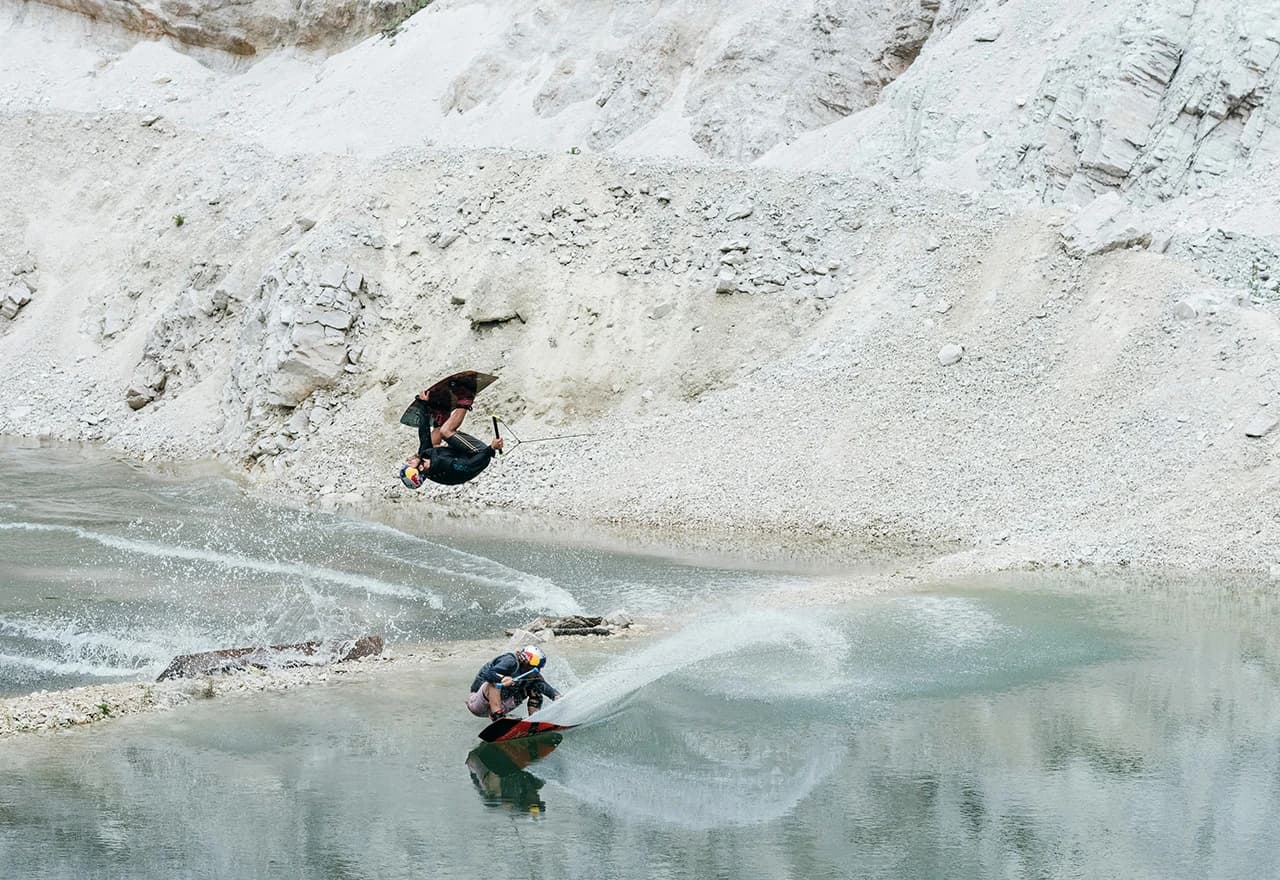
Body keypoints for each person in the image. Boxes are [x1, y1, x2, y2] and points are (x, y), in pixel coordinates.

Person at [400, 391, 503, 488]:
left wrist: (423, 404)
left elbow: (423, 433)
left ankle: (441, 416)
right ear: (421, 468)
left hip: (457, 456)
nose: (408, 460)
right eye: (410, 463)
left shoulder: (424, 457)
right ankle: (465, 398)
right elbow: (471, 465)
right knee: (445, 431)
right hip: (477, 455)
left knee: (431, 442)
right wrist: (491, 448)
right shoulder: (445, 465)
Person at [467, 646, 560, 722]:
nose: (537, 668)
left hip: (501, 705)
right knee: (494, 683)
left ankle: (534, 721)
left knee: (535, 688)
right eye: (534, 661)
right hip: (478, 702)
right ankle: (498, 717)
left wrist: (557, 697)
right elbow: (489, 674)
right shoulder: (510, 660)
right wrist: (502, 678)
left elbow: (544, 687)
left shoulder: (532, 674)